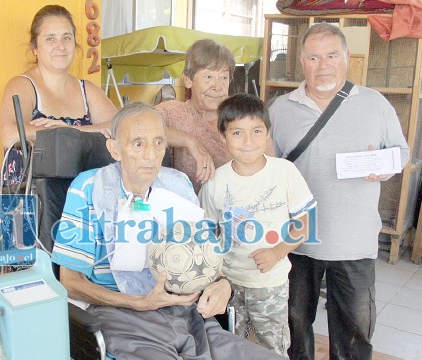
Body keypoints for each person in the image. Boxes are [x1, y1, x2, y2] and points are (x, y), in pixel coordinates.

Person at [52, 102, 284, 360]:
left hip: (187, 315)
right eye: (138, 144)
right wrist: (139, 303)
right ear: (115, 149)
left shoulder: (178, 185)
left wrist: (222, 284)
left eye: (159, 142)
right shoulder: (89, 188)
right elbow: (70, 283)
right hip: (122, 317)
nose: (150, 154)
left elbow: (207, 257)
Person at [268, 23, 410, 359]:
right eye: (314, 57)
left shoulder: (375, 104)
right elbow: (268, 166)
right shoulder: (280, 108)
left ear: (347, 58)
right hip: (298, 239)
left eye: (332, 55)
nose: (324, 65)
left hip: (354, 240)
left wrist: (386, 166)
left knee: (353, 329)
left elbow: (401, 152)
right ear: (302, 62)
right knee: (294, 322)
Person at [199, 93, 316, 357]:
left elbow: (304, 223)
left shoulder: (285, 172)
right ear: (222, 136)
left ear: (267, 134)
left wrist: (277, 252)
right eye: (237, 132)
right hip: (226, 284)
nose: (248, 141)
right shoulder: (215, 180)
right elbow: (205, 233)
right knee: (227, 347)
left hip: (269, 285)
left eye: (256, 131)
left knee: (271, 349)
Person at [0, 4, 116, 191]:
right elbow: (10, 134)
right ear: (35, 48)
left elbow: (120, 127)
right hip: (31, 199)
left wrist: (68, 131)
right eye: (50, 39)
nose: (60, 46)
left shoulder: (87, 90)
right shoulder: (22, 85)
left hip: (82, 197)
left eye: (66, 38)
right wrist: (71, 134)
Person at [156, 39, 234, 193]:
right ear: (188, 79)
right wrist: (188, 140)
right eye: (208, 77)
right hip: (184, 209)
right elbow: (137, 126)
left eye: (224, 78)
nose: (217, 87)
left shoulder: (241, 117)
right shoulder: (173, 112)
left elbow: (268, 163)